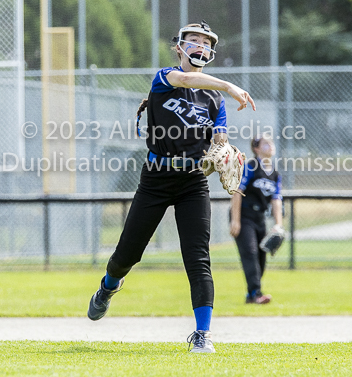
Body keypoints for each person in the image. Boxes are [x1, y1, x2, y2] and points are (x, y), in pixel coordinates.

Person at [87, 21, 256, 353]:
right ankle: (108, 286)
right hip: (155, 178)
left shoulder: (215, 101)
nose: (199, 46)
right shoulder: (164, 78)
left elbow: (219, 140)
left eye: (206, 42)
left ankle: (203, 334)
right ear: (179, 46)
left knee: (197, 257)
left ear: (211, 51)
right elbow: (189, 79)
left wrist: (219, 157)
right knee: (127, 255)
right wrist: (230, 86)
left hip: (192, 183)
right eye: (192, 40)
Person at [230, 135, 283, 304]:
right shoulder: (250, 166)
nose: (270, 146)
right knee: (250, 252)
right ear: (256, 149)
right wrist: (235, 220)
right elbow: (237, 192)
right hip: (244, 215)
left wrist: (279, 225)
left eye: (271, 143)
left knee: (261, 255)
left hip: (259, 217)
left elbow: (276, 199)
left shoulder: (274, 173)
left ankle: (251, 294)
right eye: (265, 143)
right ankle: (256, 293)